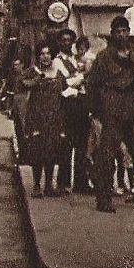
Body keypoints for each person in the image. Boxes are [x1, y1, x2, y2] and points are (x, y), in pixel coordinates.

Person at [86, 15, 134, 213]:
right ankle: (104, 199)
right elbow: (92, 84)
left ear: (129, 33)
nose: (122, 35)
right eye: (118, 32)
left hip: (131, 108)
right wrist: (96, 111)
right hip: (112, 107)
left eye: (125, 31)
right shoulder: (103, 57)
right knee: (107, 156)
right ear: (112, 34)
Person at [22, 43, 66, 198]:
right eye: (42, 53)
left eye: (48, 53)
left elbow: (65, 91)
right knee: (37, 152)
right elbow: (23, 84)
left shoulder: (58, 74)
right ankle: (36, 185)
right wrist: (37, 79)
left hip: (54, 118)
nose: (45, 56)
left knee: (51, 153)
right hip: (37, 118)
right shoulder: (32, 71)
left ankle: (48, 185)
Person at [53, 28, 92, 194]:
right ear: (59, 42)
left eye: (69, 40)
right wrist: (82, 77)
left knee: (82, 144)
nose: (66, 43)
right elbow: (66, 82)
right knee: (66, 144)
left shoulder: (77, 60)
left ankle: (81, 181)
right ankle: (63, 182)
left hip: (81, 104)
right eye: (63, 40)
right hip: (67, 105)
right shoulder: (57, 61)